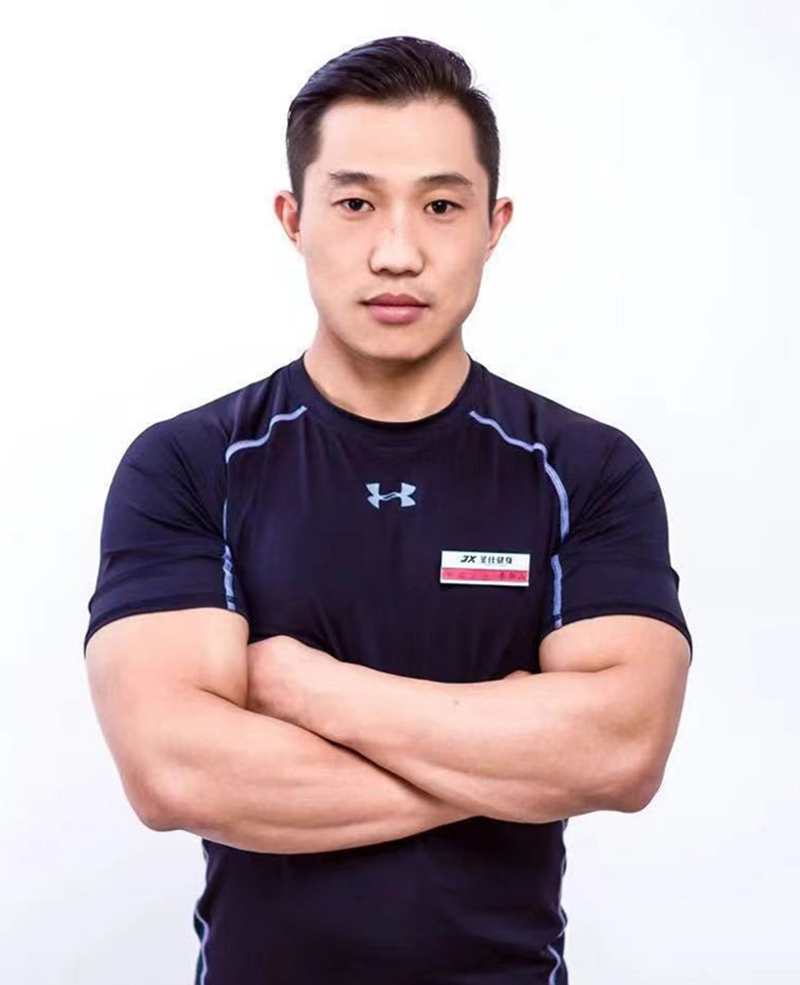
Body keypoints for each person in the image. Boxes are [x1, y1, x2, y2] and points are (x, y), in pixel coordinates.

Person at [83, 35, 692, 985]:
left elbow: (621, 752)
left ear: (493, 223)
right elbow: (174, 774)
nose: (398, 252)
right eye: (356, 202)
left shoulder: (585, 469)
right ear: (294, 218)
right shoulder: (193, 466)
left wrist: (305, 688)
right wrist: (513, 758)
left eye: (441, 205)